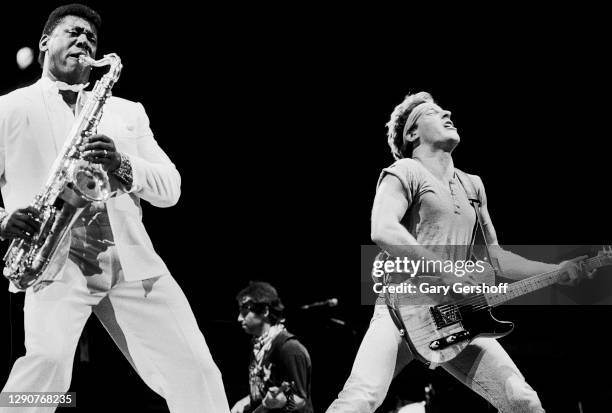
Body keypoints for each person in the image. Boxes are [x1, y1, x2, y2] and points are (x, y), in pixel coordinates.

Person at [0, 4, 230, 412]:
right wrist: (2, 221)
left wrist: (122, 164)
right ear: (44, 43)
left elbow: (171, 187)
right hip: (55, 259)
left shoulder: (126, 111)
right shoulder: (8, 108)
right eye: (73, 32)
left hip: (132, 265)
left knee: (198, 371)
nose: (84, 41)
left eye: (91, 37)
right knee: (45, 369)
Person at [326, 91, 592, 413]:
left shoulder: (472, 185)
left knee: (523, 401)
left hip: (454, 316)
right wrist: (450, 273)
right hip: (401, 309)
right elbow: (383, 230)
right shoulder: (405, 171)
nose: (447, 112)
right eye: (433, 112)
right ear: (412, 133)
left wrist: (556, 269)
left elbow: (495, 257)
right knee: (360, 398)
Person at [231, 281, 313, 413]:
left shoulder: (289, 348)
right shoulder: (258, 346)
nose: (239, 318)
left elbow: (301, 400)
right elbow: (264, 390)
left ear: (265, 310)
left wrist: (284, 401)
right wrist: (246, 402)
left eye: (245, 311)